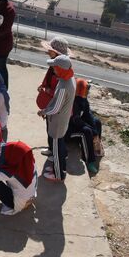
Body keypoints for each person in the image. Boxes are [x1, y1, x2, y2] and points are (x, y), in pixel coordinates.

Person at [38, 53, 76, 181]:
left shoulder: (64, 87)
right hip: (62, 121)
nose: (53, 70)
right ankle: (56, 168)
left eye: (55, 67)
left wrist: (43, 112)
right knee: (58, 146)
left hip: (57, 123)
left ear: (60, 69)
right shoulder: (69, 79)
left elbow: (55, 108)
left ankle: (59, 174)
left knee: (57, 150)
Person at [0, 141, 38, 216]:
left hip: (16, 202)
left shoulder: (10, 173)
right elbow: (2, 153)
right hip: (29, 195)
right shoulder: (29, 161)